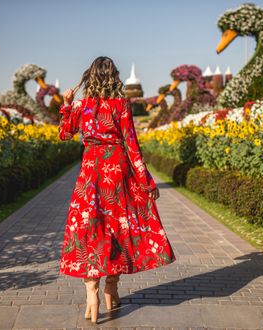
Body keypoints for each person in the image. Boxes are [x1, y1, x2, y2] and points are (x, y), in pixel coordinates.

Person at [58, 56, 176, 324]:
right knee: (117, 226)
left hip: (90, 171)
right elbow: (132, 144)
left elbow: (65, 134)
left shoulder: (81, 105)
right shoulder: (121, 104)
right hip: (117, 169)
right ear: (113, 76)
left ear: (90, 77)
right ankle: (112, 287)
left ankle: (92, 295)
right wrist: (145, 180)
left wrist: (66, 106)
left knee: (89, 228)